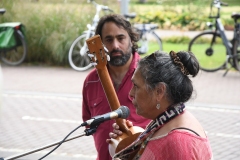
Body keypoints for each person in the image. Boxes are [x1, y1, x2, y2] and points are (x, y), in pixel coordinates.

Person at [108, 50, 213, 159]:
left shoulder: (179, 142)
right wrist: (128, 140)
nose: (131, 93)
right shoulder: (167, 123)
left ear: (159, 91)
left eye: (136, 86)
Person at [81, 14, 151, 160]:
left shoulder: (151, 75)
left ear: (131, 39)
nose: (115, 46)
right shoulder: (91, 81)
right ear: (100, 44)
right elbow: (89, 124)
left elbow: (168, 122)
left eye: (121, 38)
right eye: (108, 40)